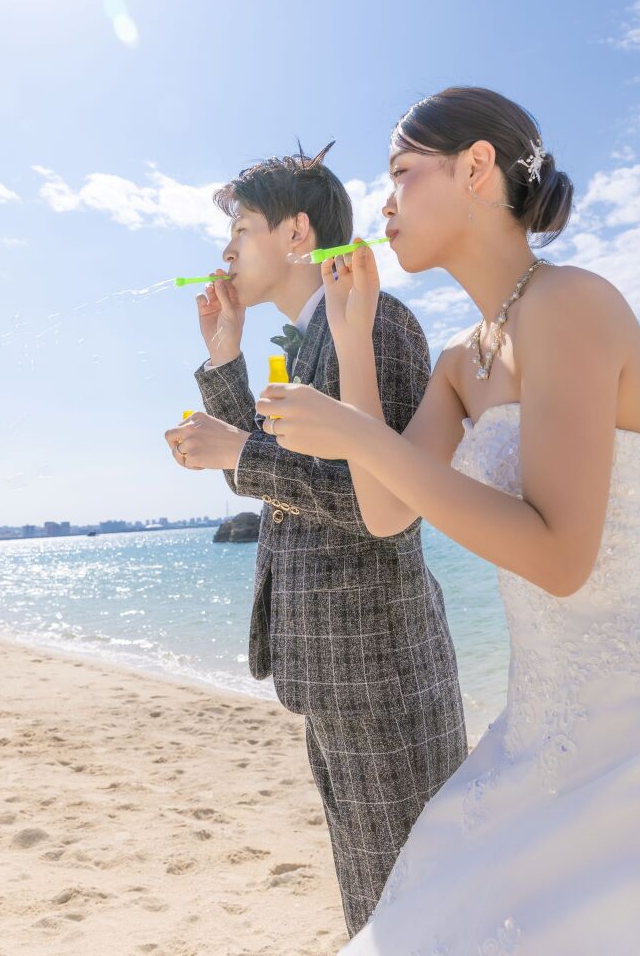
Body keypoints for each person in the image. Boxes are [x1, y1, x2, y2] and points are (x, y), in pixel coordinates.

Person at [255, 88, 640, 954]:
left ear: (475, 168)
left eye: (401, 173)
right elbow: (387, 510)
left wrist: (359, 431)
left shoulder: (574, 304)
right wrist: (353, 340)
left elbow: (559, 557)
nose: (385, 203)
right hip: (545, 728)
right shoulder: (460, 363)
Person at [164, 143, 467, 935]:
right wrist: (225, 357)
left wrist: (237, 449)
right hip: (331, 676)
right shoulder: (305, 341)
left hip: (382, 679)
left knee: (410, 917)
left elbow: (388, 500)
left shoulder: (379, 326)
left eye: (245, 227)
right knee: (375, 912)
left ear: (299, 234)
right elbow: (267, 481)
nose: (227, 249)